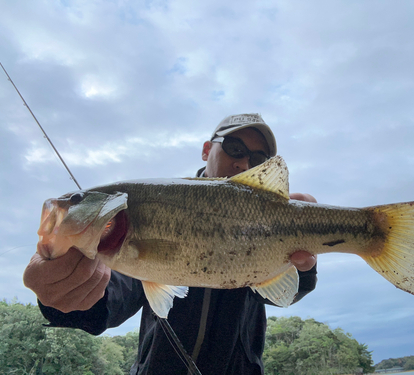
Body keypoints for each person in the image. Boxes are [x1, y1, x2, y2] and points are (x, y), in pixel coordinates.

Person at [23, 113, 318, 375]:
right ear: (206, 149)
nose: (242, 162)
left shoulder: (271, 218)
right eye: (235, 148)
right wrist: (68, 295)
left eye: (258, 160)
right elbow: (113, 298)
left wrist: (304, 269)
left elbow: (283, 294)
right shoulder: (152, 209)